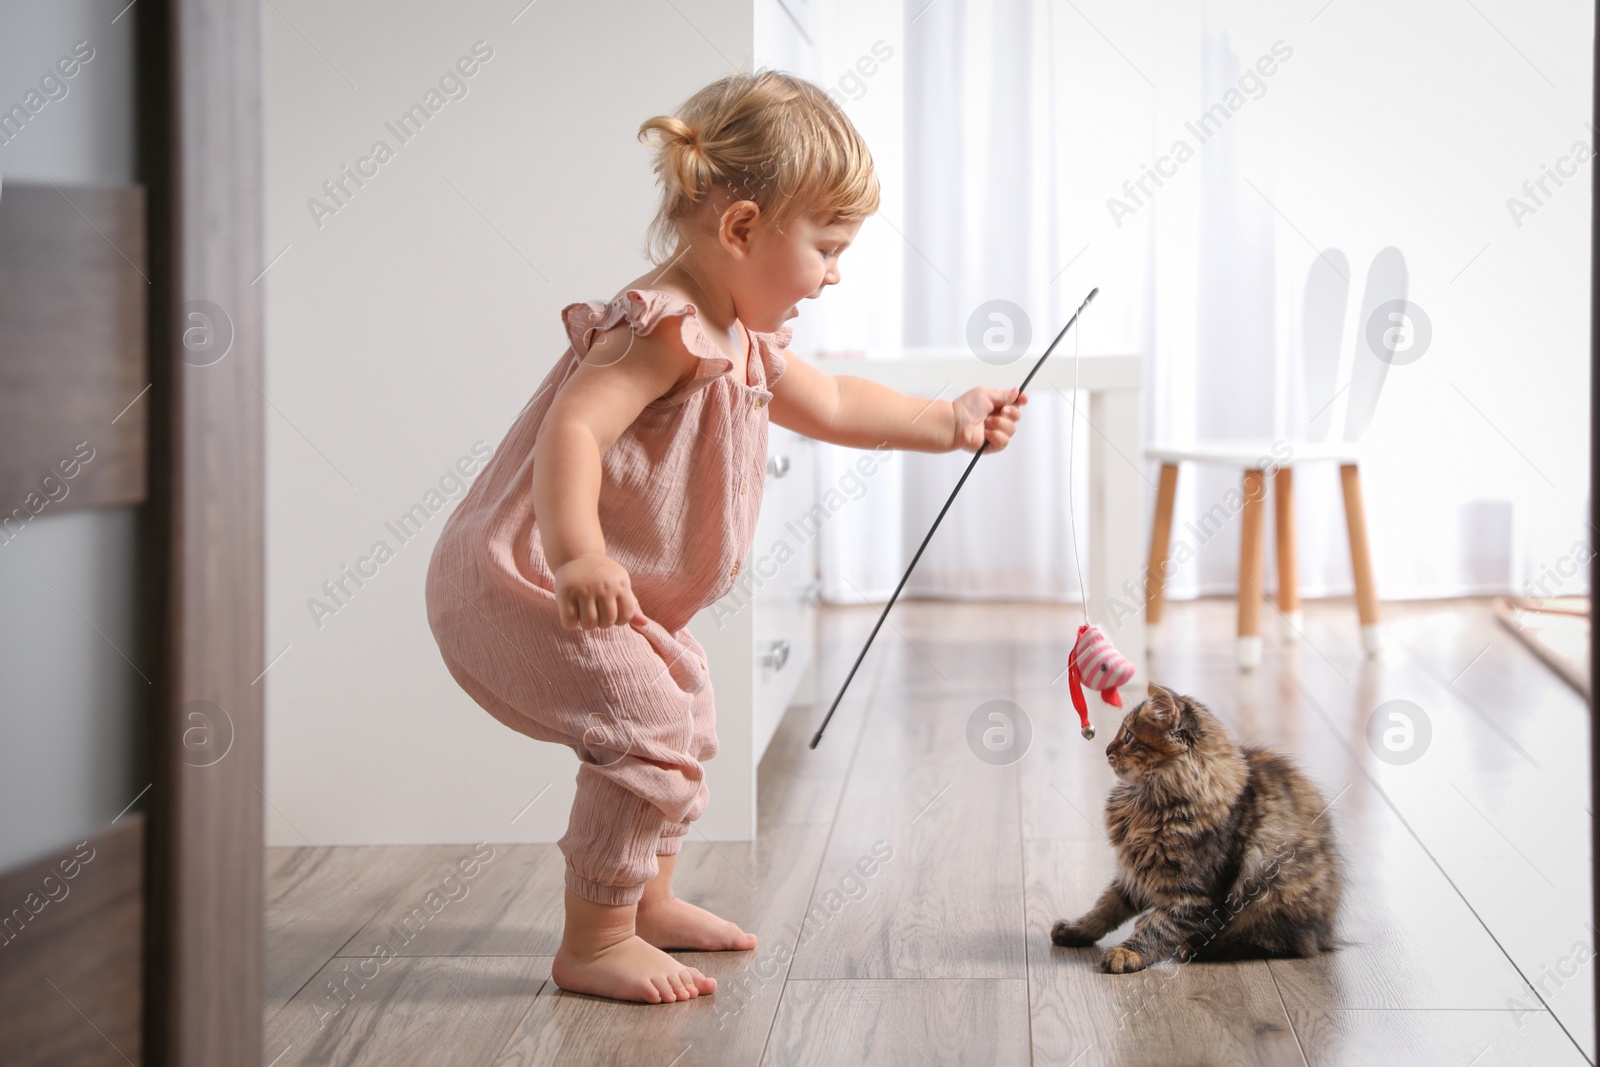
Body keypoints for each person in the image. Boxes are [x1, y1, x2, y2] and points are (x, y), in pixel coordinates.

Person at [424, 69, 1028, 1005]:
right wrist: (579, 551)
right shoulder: (662, 328)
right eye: (827, 247)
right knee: (650, 727)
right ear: (742, 228)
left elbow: (832, 401)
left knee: (688, 705)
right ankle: (594, 939)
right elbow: (573, 430)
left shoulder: (738, 335)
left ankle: (646, 897)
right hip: (526, 579)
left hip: (598, 588)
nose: (835, 273)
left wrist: (947, 419)